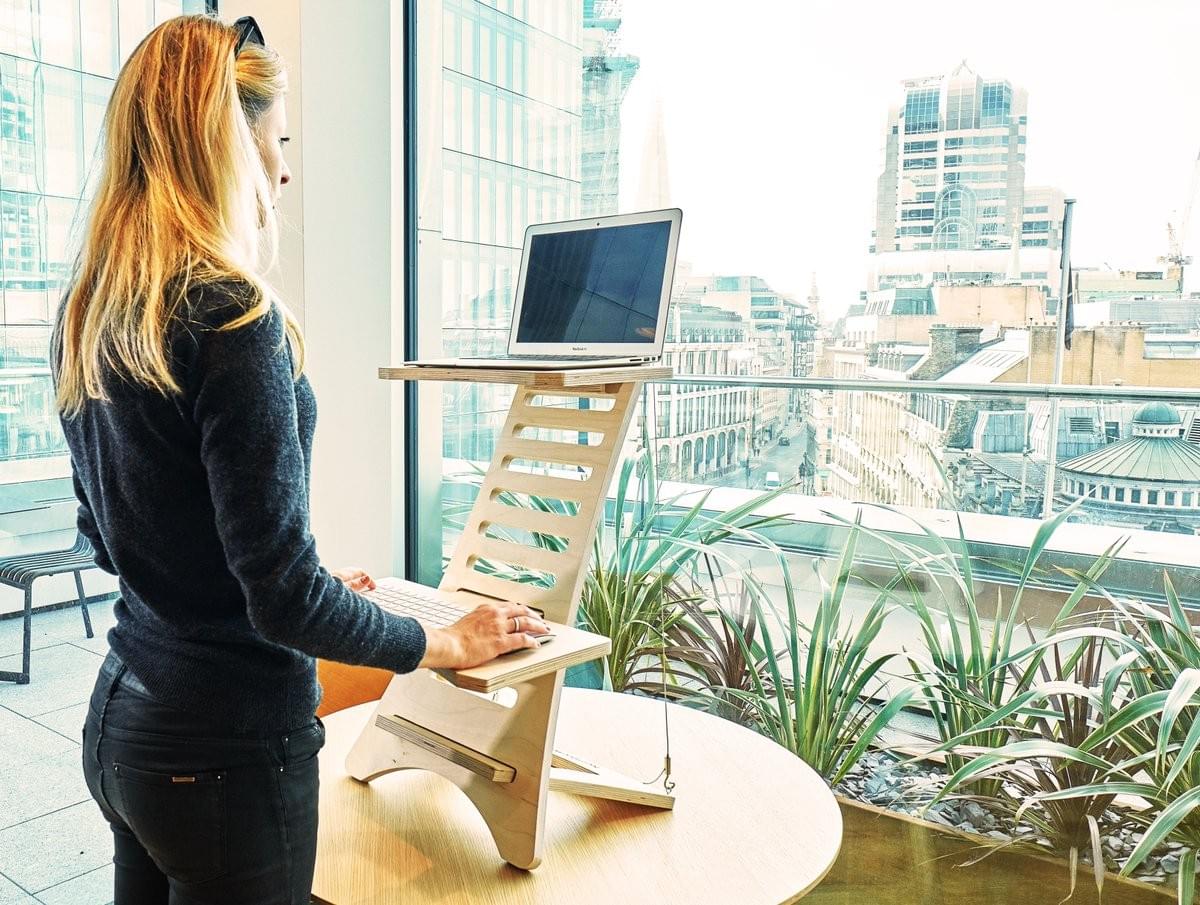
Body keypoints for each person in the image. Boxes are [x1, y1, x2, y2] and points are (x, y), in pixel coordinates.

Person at [51, 14, 549, 905]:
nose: (284, 170)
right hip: (222, 753)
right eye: (276, 142)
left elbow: (112, 535)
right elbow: (276, 597)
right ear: (226, 148)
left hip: (124, 723)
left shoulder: (92, 312)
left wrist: (299, 580)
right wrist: (441, 640)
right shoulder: (234, 317)